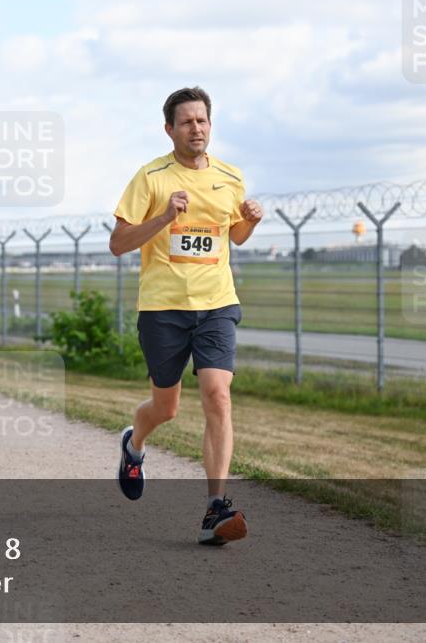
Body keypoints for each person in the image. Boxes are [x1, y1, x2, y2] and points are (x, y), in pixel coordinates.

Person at [108, 86, 263, 546]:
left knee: (218, 395)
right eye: (187, 122)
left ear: (210, 125)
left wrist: (250, 220)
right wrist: (163, 217)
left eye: (202, 120)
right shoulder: (151, 177)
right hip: (163, 308)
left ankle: (217, 508)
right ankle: (133, 444)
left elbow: (232, 237)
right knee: (166, 408)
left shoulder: (231, 177)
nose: (196, 128)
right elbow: (118, 244)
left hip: (216, 303)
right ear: (169, 129)